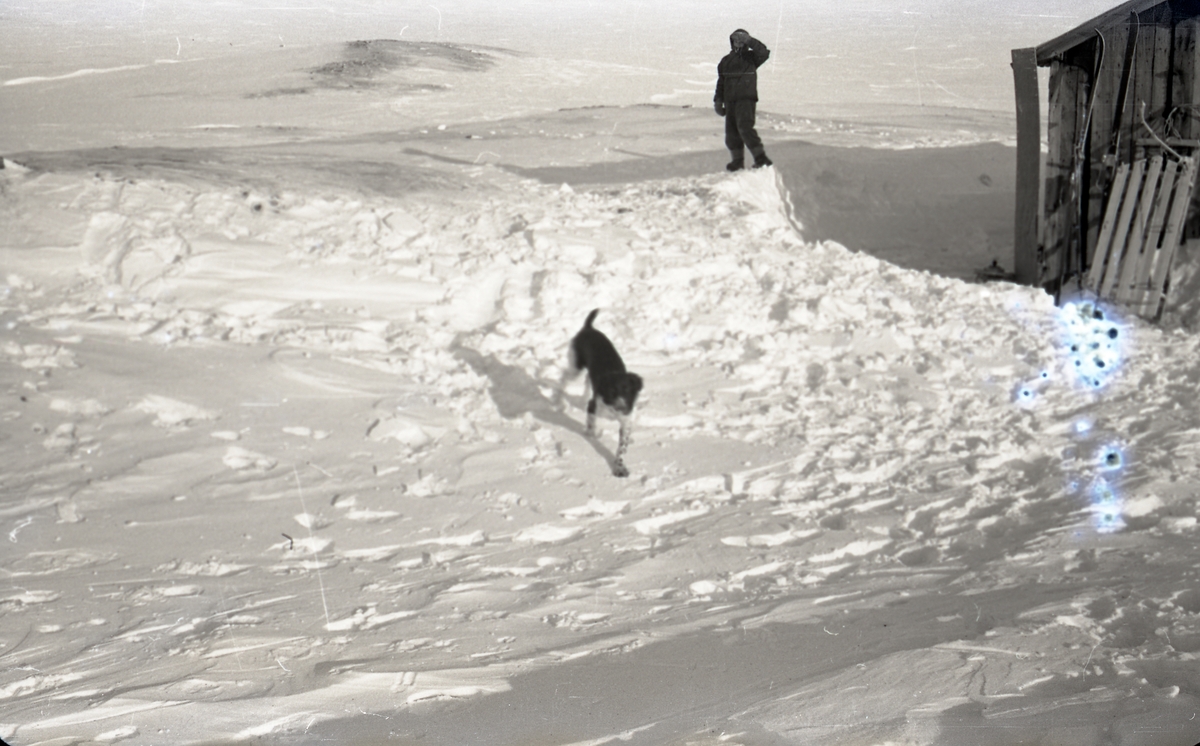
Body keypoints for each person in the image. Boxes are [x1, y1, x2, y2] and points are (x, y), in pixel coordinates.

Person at [714, 29, 772, 171]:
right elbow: (721, 82)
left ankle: (761, 158)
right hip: (730, 101)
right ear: (732, 42)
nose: (738, 42)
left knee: (745, 128)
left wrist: (750, 40)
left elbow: (764, 52)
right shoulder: (725, 61)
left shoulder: (752, 58)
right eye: (736, 39)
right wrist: (718, 100)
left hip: (746, 99)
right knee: (732, 133)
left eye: (741, 39)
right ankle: (737, 162)